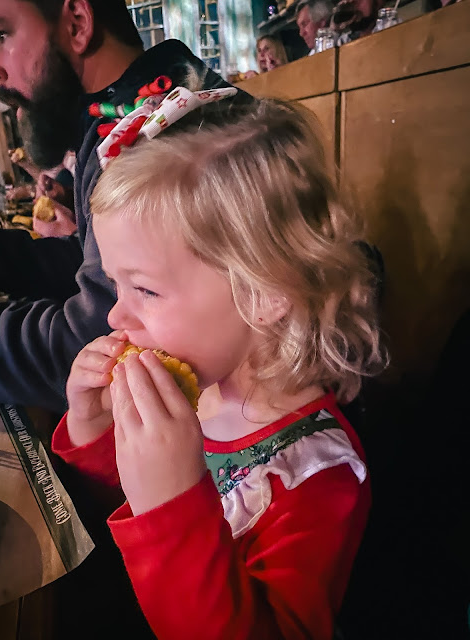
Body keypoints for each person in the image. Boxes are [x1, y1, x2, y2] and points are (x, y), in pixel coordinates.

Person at [52, 96, 386, 639]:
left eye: (145, 289)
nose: (114, 315)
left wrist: (172, 503)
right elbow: (127, 509)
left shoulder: (316, 478)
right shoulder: (200, 387)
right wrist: (94, 430)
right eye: (115, 284)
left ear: (264, 292)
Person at [0, 0, 246, 412]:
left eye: (0, 35)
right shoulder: (118, 113)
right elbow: (97, 264)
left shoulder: (160, 133)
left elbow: (103, 340)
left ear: (78, 23)